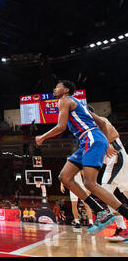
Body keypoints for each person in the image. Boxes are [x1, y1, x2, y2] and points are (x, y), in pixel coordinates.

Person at [35, 80, 128, 233]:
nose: (54, 88)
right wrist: (104, 141)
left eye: (57, 86)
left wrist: (43, 137)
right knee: (64, 177)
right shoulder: (81, 105)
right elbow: (102, 123)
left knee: (90, 183)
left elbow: (61, 127)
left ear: (65, 90)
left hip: (90, 138)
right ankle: (100, 211)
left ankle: (120, 214)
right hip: (87, 141)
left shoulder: (64, 100)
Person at [86, 106, 128, 241]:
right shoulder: (89, 129)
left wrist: (105, 144)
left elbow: (115, 134)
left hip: (117, 160)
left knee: (104, 192)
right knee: (113, 194)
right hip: (115, 163)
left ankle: (121, 227)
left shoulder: (101, 120)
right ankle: (122, 228)